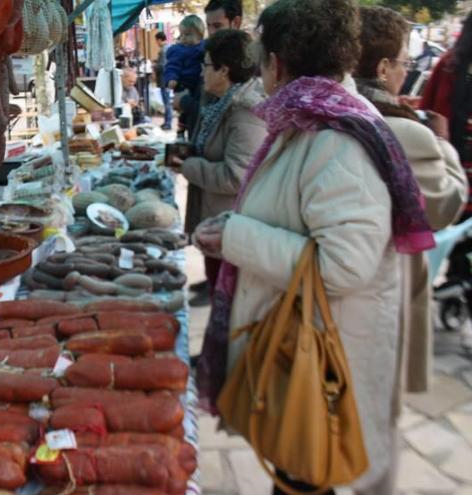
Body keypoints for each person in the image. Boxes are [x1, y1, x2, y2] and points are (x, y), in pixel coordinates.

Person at [194, 0, 435, 493]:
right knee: (294, 472)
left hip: (315, 362)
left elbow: (345, 264)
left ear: (277, 63)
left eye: (261, 58)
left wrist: (238, 238)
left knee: (304, 475)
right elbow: (293, 211)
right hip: (300, 344)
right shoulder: (309, 120)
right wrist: (235, 226)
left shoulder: (333, 137)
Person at [355, 6, 467, 399]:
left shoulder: (333, 111)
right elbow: (445, 204)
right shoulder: (405, 132)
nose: (407, 71)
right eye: (403, 62)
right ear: (384, 68)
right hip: (380, 284)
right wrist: (442, 143)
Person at [169, 29, 266, 307]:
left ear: (224, 70)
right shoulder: (218, 102)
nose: (201, 72)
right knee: (218, 295)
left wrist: (188, 165)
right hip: (217, 223)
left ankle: (222, 351)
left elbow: (236, 176)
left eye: (207, 65)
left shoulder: (246, 112)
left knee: (228, 303)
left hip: (231, 227)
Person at [420, 12, 472, 296]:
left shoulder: (449, 65)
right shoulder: (448, 66)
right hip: (458, 164)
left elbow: (428, 109)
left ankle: (456, 277)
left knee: (452, 231)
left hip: (450, 164)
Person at [164, 15, 206, 135]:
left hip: (198, 84)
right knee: (184, 110)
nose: (184, 38)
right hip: (183, 83)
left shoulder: (204, 47)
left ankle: (186, 128)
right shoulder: (179, 50)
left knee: (193, 109)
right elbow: (172, 66)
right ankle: (181, 129)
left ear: (199, 35)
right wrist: (171, 78)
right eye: (182, 35)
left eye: (188, 35)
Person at [153, 32, 172, 130]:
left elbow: (162, 66)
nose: (156, 43)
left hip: (163, 79)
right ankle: (167, 121)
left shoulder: (163, 50)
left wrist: (154, 66)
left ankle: (168, 123)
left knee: (166, 102)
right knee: (167, 101)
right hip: (166, 79)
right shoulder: (168, 48)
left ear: (159, 40)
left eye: (156, 40)